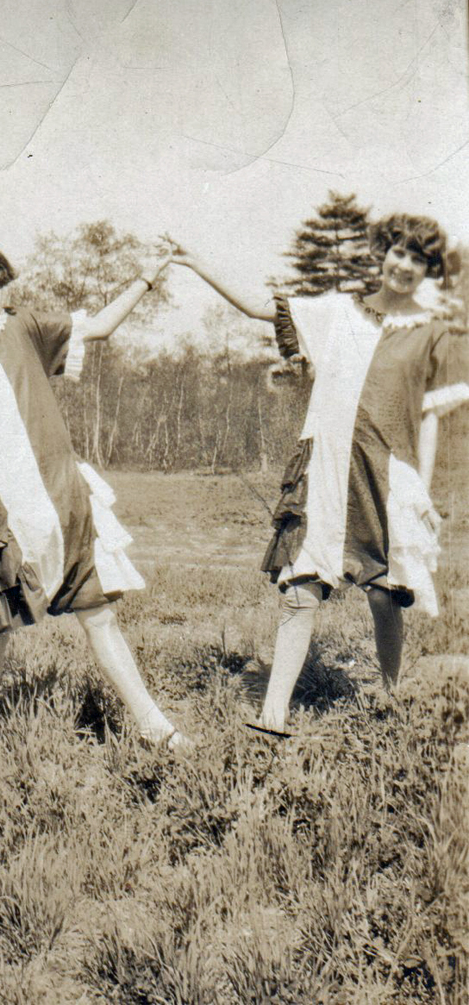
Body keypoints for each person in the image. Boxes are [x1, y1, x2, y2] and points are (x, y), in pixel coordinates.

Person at [166, 215, 469, 735]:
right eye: (399, 252)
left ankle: (393, 701)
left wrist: (419, 488)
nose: (405, 266)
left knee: (384, 592)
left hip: (387, 477)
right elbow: (262, 308)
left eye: (418, 260)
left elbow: (428, 419)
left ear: (428, 270)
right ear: (383, 253)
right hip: (327, 465)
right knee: (300, 587)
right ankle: (274, 713)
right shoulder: (338, 311)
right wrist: (196, 264)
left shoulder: (432, 335)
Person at [0, 229, 190, 754]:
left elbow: (97, 326)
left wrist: (151, 273)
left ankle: (155, 727)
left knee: (99, 615)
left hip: (62, 494)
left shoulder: (22, 327)